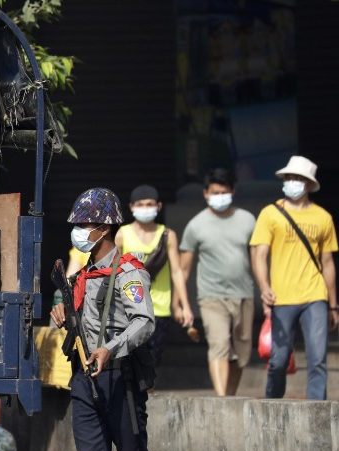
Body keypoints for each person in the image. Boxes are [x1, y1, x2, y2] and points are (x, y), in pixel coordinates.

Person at [50, 188, 171, 451]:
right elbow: (79, 316)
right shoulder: (83, 273)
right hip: (85, 379)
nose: (79, 230)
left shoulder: (129, 272)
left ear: (104, 228)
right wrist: (60, 311)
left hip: (121, 378)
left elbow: (144, 321)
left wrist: (110, 349)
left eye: (85, 224)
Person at [249, 155, 338, 400]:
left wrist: (333, 305)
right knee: (277, 360)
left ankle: (315, 414)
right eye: (289, 178)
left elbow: (328, 263)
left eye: (298, 178)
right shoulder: (270, 214)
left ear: (309, 184)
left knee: (318, 359)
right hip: (282, 297)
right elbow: (259, 254)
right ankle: (272, 408)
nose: (293, 182)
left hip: (315, 295)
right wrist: (264, 286)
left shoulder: (323, 218)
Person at [179, 168, 255, 396]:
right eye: (214, 192)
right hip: (211, 296)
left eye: (223, 192)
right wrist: (180, 304)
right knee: (219, 346)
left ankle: (229, 398)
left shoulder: (248, 220)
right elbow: (183, 270)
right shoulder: (196, 225)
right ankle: (221, 400)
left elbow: (258, 259)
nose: (219, 196)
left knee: (241, 355)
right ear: (205, 193)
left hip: (244, 295)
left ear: (232, 191)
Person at [115, 185, 193, 364]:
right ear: (131, 207)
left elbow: (177, 271)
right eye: (140, 204)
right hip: (129, 307)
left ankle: (147, 391)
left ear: (159, 206)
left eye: (149, 204)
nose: (145, 208)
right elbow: (114, 272)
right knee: (129, 359)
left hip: (159, 307)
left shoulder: (167, 235)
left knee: (153, 359)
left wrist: (184, 306)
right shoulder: (122, 235)